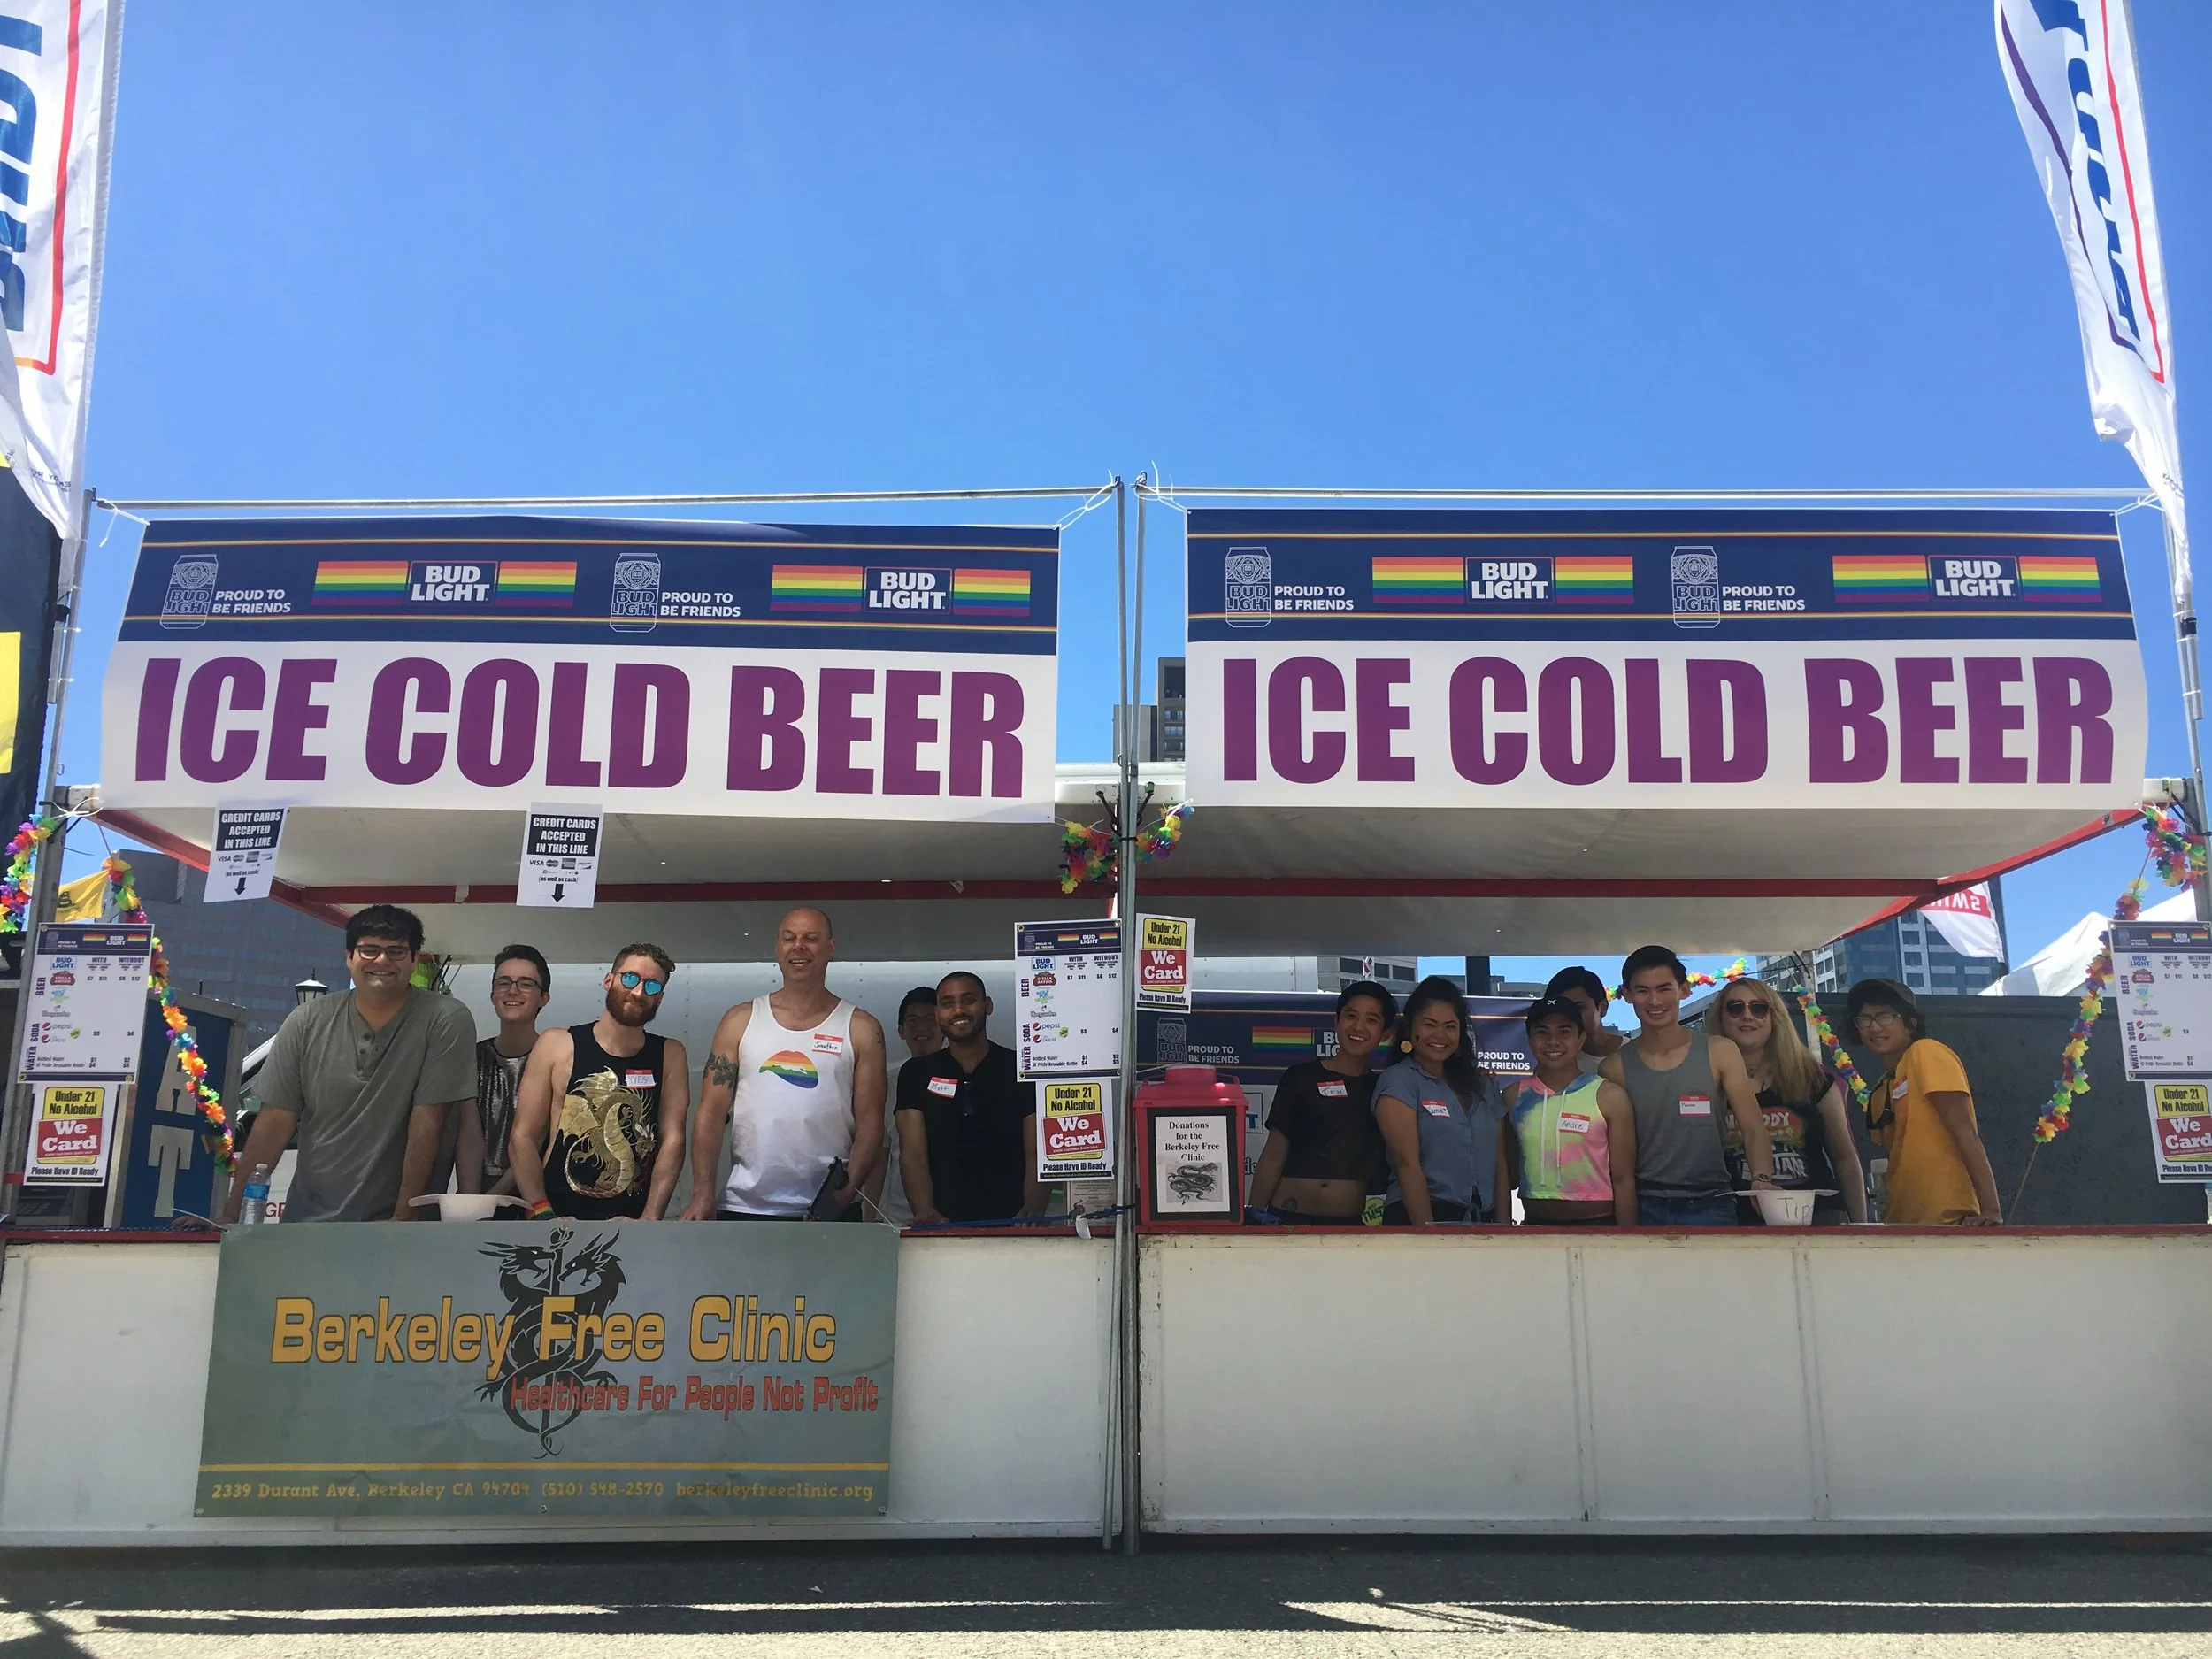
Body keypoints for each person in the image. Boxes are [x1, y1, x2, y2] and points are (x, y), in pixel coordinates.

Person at [222, 904, 476, 1223]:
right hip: (307, 1223)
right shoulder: (306, 1021)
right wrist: (231, 1218)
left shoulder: (445, 1018)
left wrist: (403, 1221)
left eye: (396, 951)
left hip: (398, 1229)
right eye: (369, 950)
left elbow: (428, 1124)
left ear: (414, 959)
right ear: (349, 957)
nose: (382, 961)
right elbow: (275, 1121)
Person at [685, 906, 887, 1220]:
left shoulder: (861, 1028)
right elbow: (711, 1113)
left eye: (811, 938)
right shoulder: (740, 1020)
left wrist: (848, 1192)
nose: (799, 946)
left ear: (830, 947)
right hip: (745, 1207)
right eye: (789, 938)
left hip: (830, 1210)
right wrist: (702, 1193)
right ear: (778, 948)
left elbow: (871, 1123)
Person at [510, 944, 689, 1221]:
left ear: (661, 997)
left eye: (652, 986)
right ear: (609, 980)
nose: (639, 992)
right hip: (557, 1214)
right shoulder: (557, 1045)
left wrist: (650, 1219)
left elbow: (673, 1140)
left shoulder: (670, 1054)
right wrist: (541, 1212)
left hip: (633, 1222)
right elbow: (523, 1136)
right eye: (630, 978)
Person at [1601, 945, 1775, 1227]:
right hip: (1645, 1204)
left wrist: (1762, 1179)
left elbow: (1754, 1127)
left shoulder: (1720, 1052)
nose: (1655, 1000)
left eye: (1664, 988)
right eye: (1643, 990)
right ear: (1628, 995)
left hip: (1713, 1202)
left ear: (1684, 990)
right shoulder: (1614, 1067)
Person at [1715, 976, 1869, 1225]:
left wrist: (1861, 1224)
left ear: (1775, 1017)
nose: (1747, 1015)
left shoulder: (1812, 1077)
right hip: (1735, 1218)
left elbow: (1844, 1157)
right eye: (1735, 1008)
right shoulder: (1705, 1081)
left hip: (1815, 1214)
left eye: (1759, 1008)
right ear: (1720, 1017)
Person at [1847, 978, 2001, 1226]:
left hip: (1947, 1220)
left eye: (1885, 1016)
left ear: (1911, 1023)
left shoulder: (1926, 1052)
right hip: (1900, 1222)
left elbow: (1966, 1134)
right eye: (1865, 1019)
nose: (1874, 1027)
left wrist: (1991, 1212)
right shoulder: (1881, 1086)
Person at [896, 972, 1043, 1224]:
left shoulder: (1021, 1069)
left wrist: (1032, 1213)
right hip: (941, 1226)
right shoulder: (916, 1073)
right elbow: (913, 1154)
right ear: (938, 1014)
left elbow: (1036, 1152)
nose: (958, 1010)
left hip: (1014, 1226)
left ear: (987, 1006)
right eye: (947, 1003)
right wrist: (925, 1213)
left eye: (968, 1000)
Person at [1246, 980, 1395, 1225]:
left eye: (1372, 1020)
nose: (1358, 1026)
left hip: (1348, 1226)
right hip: (1287, 1219)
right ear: (1336, 1021)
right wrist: (1256, 1214)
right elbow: (1274, 1154)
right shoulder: (1300, 1078)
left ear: (1386, 1033)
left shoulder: (1385, 1089)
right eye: (1351, 1015)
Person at [1373, 975, 1509, 1225]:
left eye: (1450, 1026)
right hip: (1421, 1220)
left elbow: (1499, 1167)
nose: (1440, 1034)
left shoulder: (1483, 1085)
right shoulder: (1399, 1081)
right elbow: (1407, 1165)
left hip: (1483, 1222)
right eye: (1429, 1024)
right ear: (1411, 1027)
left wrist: (1504, 1231)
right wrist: (1430, 1238)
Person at [1503, 995, 1637, 1225]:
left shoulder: (1609, 1096)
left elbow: (1624, 1180)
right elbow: (1507, 1176)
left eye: (1564, 1032)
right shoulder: (1514, 1096)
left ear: (1581, 1038)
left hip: (1600, 1224)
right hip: (1535, 1224)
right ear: (1529, 1039)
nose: (1552, 1041)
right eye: (1542, 1032)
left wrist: (1627, 1243)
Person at [456, 944, 549, 1196]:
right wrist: (472, 1201)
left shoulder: (555, 1058)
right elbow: (468, 1136)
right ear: (492, 994)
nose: (513, 990)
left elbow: (540, 1137)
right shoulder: (472, 1056)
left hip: (538, 1193)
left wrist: (495, 1198)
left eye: (526, 983)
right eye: (503, 982)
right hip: (478, 1189)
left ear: (544, 998)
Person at [866, 985, 941, 1227]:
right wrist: (869, 1220)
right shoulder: (886, 1081)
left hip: (955, 1213)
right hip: (899, 1217)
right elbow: (879, 1156)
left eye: (930, 1019)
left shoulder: (964, 1076)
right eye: (913, 1020)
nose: (922, 1027)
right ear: (901, 1030)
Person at [1543, 965, 1624, 1078]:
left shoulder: (1637, 1053)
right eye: (1563, 1010)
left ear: (1603, 1008)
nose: (1570, 1016)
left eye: (1579, 1008)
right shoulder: (1557, 1067)